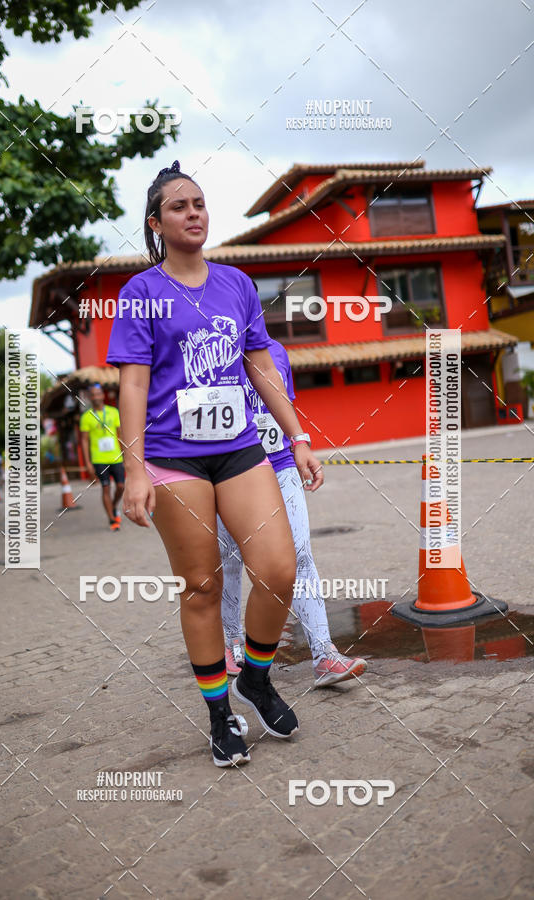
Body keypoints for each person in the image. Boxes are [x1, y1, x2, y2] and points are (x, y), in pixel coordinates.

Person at [106, 160, 324, 767]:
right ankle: (219, 713)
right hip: (174, 457)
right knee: (202, 585)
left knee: (279, 569)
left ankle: (255, 676)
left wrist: (298, 436)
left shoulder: (236, 284)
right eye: (179, 207)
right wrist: (135, 470)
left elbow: (260, 368)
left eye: (199, 203)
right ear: (156, 223)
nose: (194, 213)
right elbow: (132, 386)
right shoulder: (141, 294)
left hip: (238, 449)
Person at [219, 336, 367, 686]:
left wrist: (300, 443)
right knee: (230, 559)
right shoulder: (212, 348)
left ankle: (324, 654)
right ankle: (230, 643)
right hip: (230, 470)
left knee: (300, 555)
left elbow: (284, 404)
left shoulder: (277, 351)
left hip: (281, 464)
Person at [79, 383, 125, 531]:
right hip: (99, 459)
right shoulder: (86, 417)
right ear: (89, 397)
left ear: (103, 395)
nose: (96, 397)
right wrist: (88, 463)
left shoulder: (113, 412)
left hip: (116, 457)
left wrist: (126, 453)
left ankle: (113, 506)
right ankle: (112, 520)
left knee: (120, 486)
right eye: (93, 394)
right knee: (105, 487)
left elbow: (120, 435)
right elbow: (84, 441)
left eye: (98, 393)